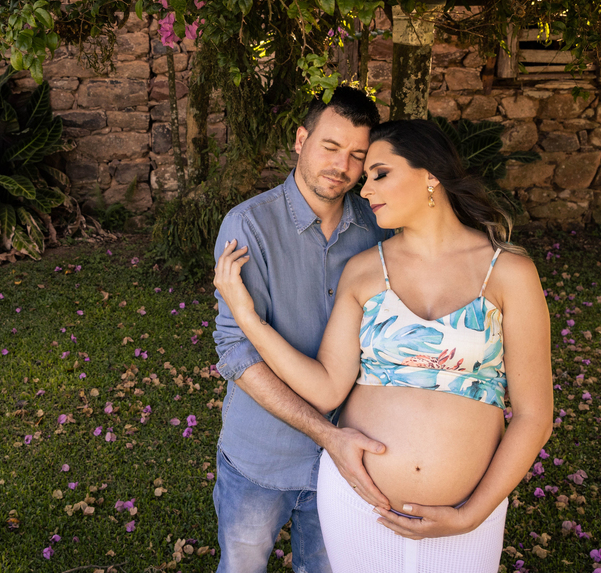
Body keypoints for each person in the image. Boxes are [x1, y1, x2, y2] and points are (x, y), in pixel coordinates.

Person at [215, 119, 554, 573]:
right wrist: (249, 319)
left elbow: (534, 417)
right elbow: (327, 389)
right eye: (366, 176)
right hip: (360, 507)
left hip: (468, 514)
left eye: (379, 173)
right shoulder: (364, 269)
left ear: (430, 174)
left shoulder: (509, 270)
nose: (364, 187)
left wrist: (471, 515)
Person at [212, 86, 395, 573]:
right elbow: (237, 353)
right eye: (330, 147)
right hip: (261, 456)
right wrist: (325, 434)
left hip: (348, 464)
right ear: (300, 139)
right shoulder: (248, 226)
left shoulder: (379, 230)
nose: (342, 166)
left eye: (357, 155)